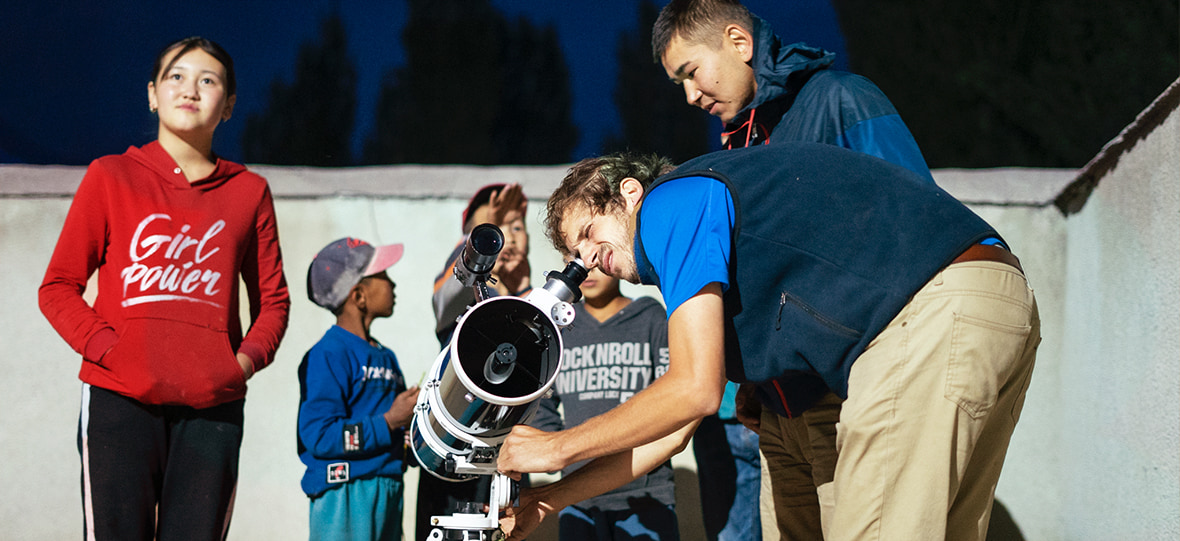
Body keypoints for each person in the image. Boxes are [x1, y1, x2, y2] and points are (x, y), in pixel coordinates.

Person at [497, 142, 1040, 541]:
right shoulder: (706, 257)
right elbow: (668, 435)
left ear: (630, 194)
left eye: (589, 233)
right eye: (573, 252)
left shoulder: (672, 202)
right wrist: (549, 499)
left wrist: (557, 446)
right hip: (989, 304)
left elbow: (694, 390)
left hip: (931, 309)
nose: (585, 259)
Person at [651, 1, 937, 537]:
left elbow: (920, 235)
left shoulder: (841, 99)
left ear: (739, 42)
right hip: (779, 415)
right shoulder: (741, 145)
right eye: (678, 85)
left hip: (850, 395)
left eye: (690, 73)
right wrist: (760, 383)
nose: (690, 95)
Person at [37, 36, 290, 540]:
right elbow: (59, 287)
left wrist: (237, 365)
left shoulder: (249, 192)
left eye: (208, 80)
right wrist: (112, 350)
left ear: (230, 106)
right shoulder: (111, 176)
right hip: (118, 400)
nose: (190, 89)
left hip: (213, 408)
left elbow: (274, 302)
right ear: (152, 94)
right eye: (176, 76)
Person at [416, 183, 532, 540]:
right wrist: (478, 248)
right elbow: (449, 291)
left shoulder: (532, 303)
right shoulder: (462, 293)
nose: (507, 237)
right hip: (453, 450)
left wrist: (525, 287)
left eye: (516, 227)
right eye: (493, 228)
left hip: (506, 452)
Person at [528, 265, 678, 540]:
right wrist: (555, 454)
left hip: (645, 493)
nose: (586, 274)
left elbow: (672, 401)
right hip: (576, 497)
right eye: (573, 263)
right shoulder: (561, 331)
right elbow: (541, 402)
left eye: (593, 264)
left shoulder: (651, 317)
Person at [298, 237, 420, 541]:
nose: (393, 285)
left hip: (389, 485)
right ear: (359, 296)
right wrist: (390, 421)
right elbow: (319, 436)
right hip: (346, 491)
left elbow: (397, 428)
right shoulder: (329, 354)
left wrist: (411, 433)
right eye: (383, 277)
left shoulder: (385, 356)